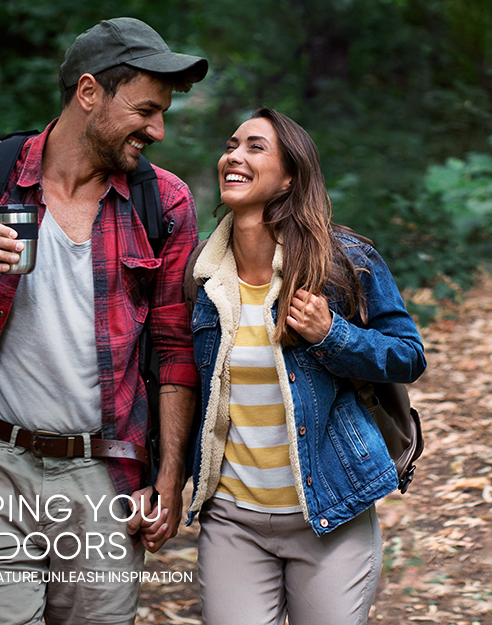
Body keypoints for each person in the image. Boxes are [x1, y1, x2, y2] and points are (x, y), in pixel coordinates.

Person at [0, 17, 206, 625]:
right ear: (89, 93)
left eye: (162, 113)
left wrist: (168, 476)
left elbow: (174, 347)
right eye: (145, 110)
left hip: (105, 475)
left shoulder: (162, 202)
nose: (158, 130)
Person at [183, 107, 425, 624]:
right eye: (232, 145)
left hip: (332, 512)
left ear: (290, 176)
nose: (233, 156)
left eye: (255, 147)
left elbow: (408, 356)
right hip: (233, 520)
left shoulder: (342, 261)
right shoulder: (202, 277)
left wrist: (331, 334)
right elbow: (183, 385)